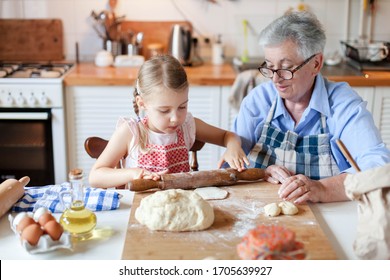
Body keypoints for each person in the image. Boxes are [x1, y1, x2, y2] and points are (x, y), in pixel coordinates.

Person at [232, 11, 390, 204]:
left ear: (316, 64)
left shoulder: (342, 104)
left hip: (330, 217)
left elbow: (378, 168)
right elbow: (230, 165)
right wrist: (259, 174)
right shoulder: (259, 100)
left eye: (286, 68)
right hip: (260, 211)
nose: (275, 79)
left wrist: (323, 188)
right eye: (270, 66)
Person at [89, 54, 249, 189]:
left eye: (182, 107)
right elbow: (95, 176)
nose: (175, 118)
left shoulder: (187, 125)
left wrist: (233, 146)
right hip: (139, 211)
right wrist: (133, 173)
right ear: (142, 103)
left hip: (181, 205)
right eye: (164, 110)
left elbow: (228, 136)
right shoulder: (131, 132)